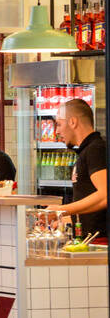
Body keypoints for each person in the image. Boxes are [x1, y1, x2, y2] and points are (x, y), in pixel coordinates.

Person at [55, 97, 106, 239]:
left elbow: (105, 195)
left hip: (100, 241)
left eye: (59, 124)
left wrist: (61, 210)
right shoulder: (87, 151)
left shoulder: (96, 149)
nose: (57, 131)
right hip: (89, 239)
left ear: (72, 122)